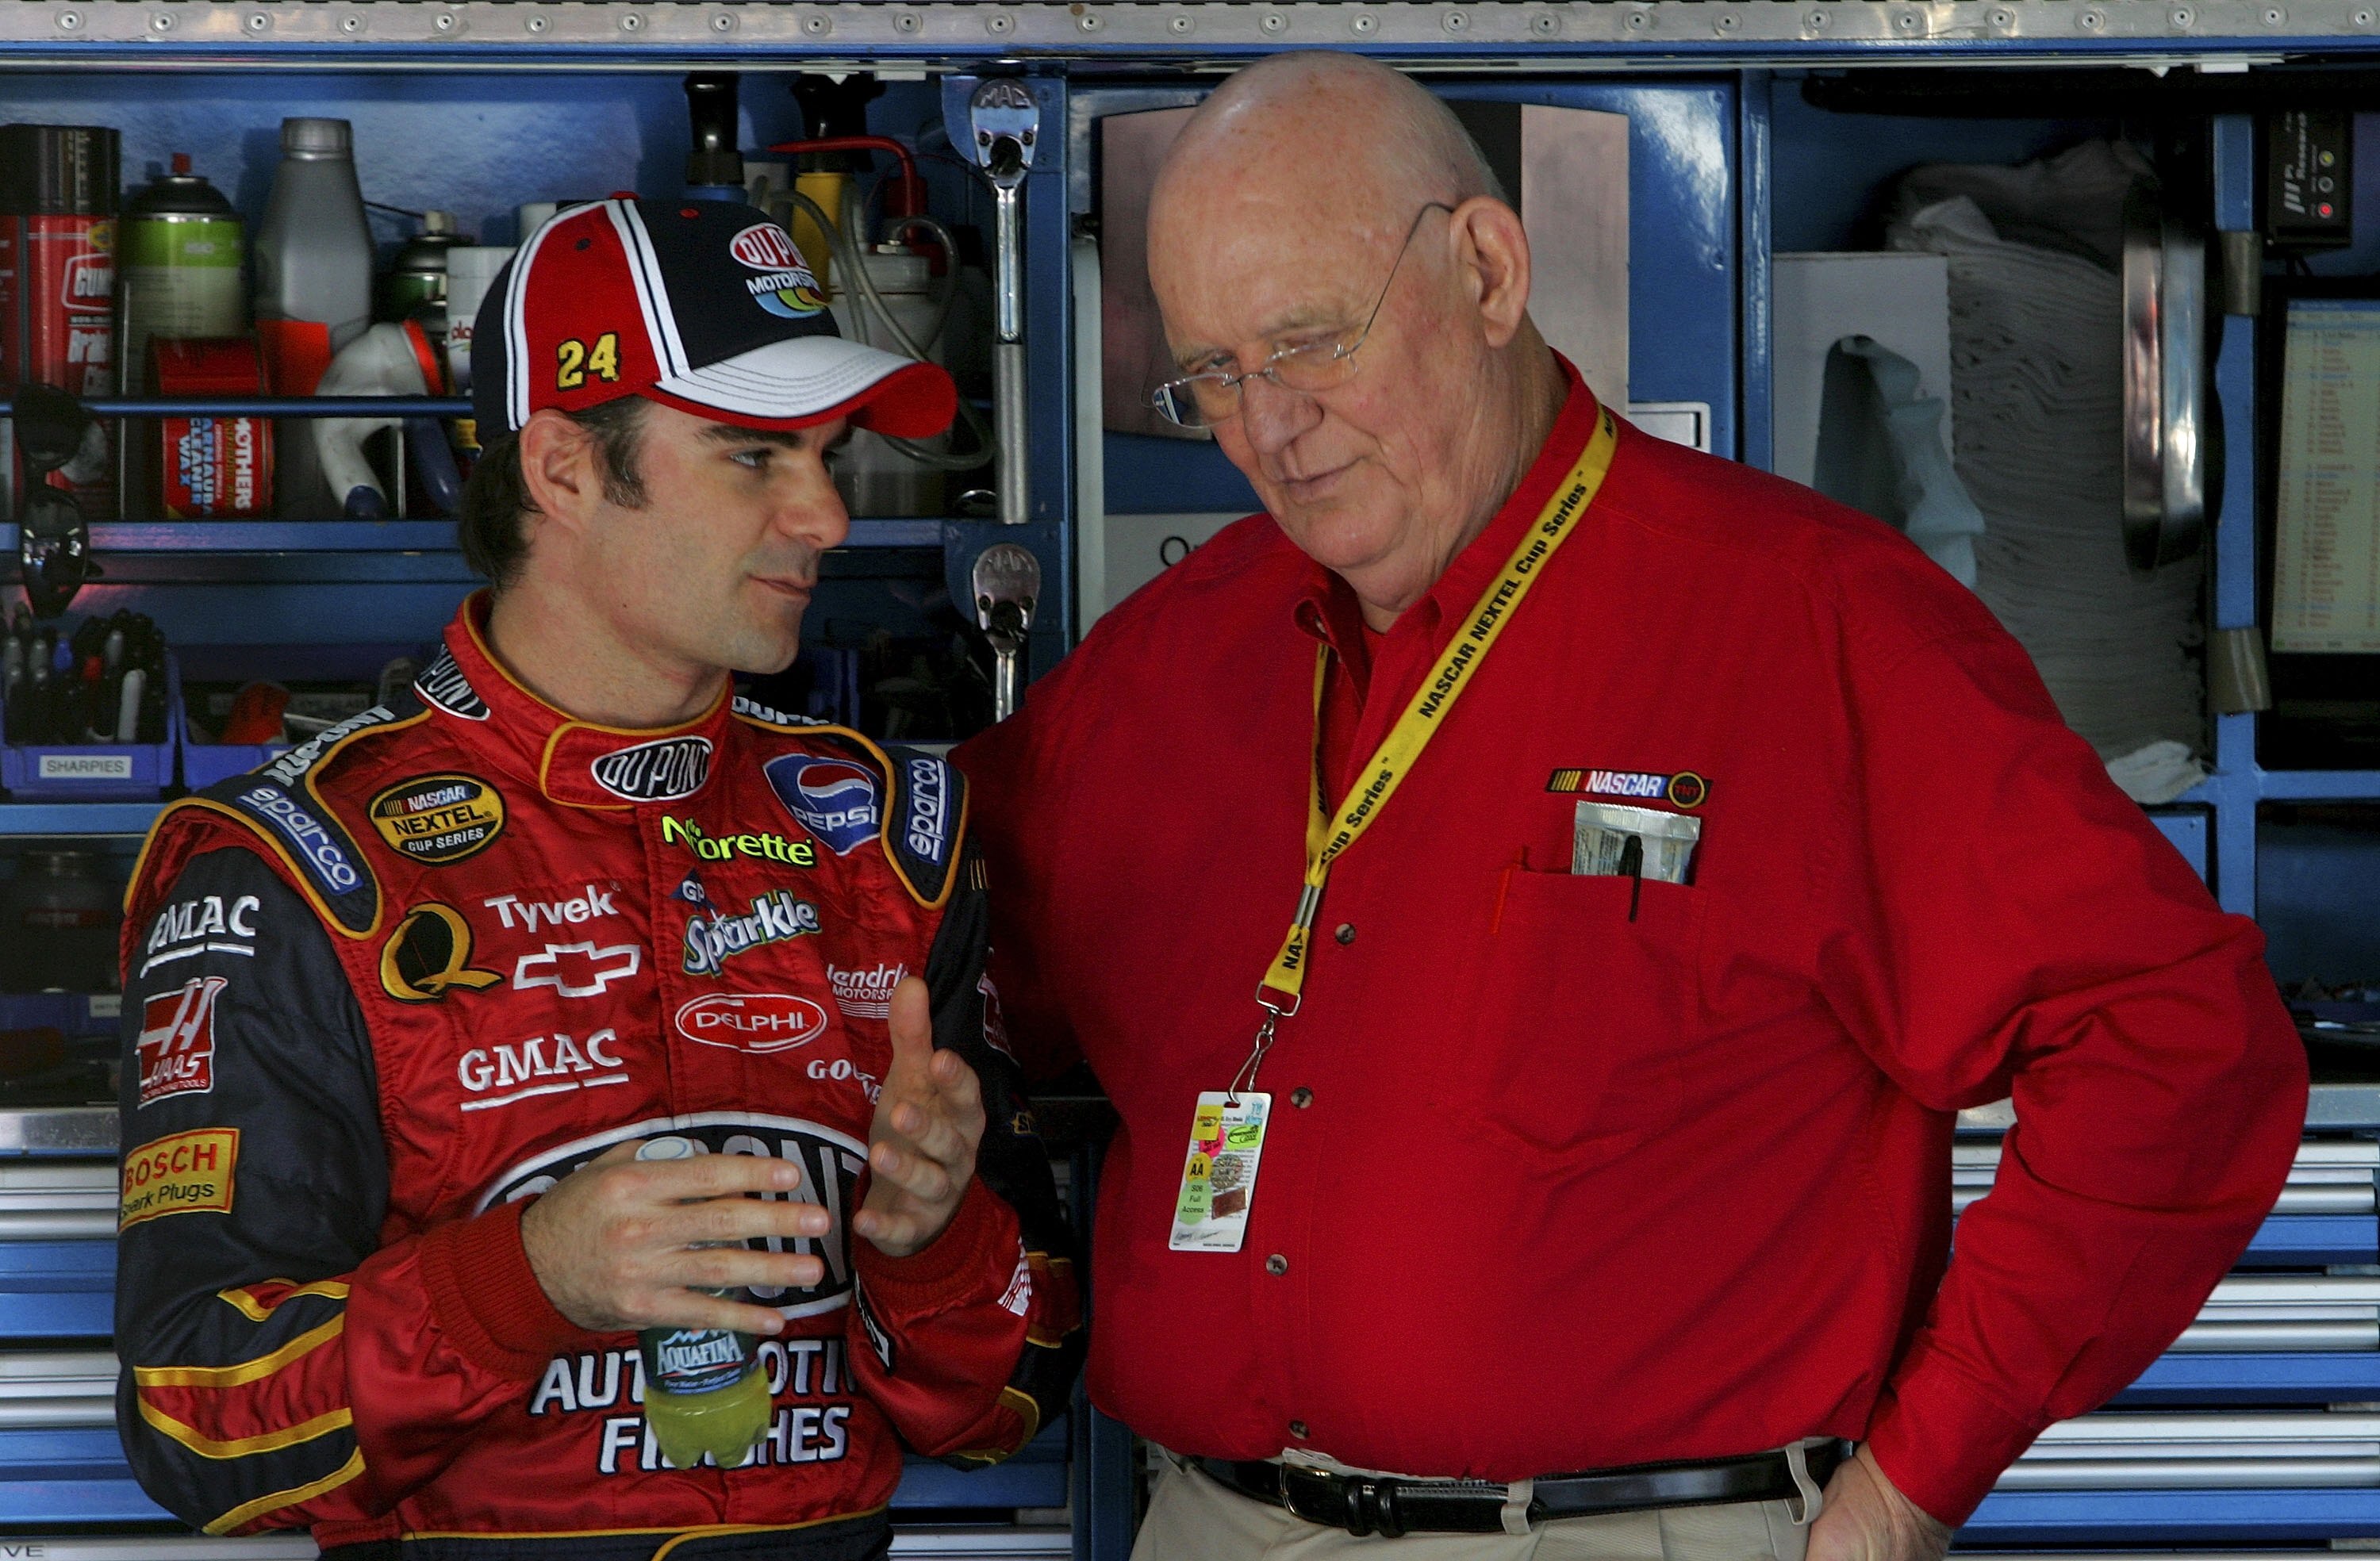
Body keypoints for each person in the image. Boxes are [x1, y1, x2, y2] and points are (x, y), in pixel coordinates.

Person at [955, 53, 2306, 1561]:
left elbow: (2178, 1041)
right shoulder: (1163, 670)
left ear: (1484, 270)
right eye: (1212, 374)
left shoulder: (1811, 630)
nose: (1268, 428)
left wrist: (1914, 1483)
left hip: (1636, 1529)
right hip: (1218, 1521)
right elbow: (925, 963)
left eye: (1311, 342)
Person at [114, 198, 1080, 1559]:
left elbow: (1022, 1386)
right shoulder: (303, 868)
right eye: (753, 456)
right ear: (564, 469)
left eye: (828, 454)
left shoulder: (893, 837)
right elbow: (189, 1415)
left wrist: (932, 1249)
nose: (827, 515)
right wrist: (527, 1281)